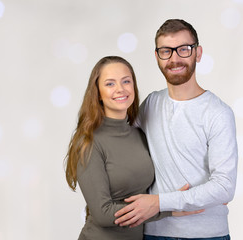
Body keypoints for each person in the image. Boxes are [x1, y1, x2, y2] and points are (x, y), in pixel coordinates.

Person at [114, 19, 238, 240]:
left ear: (198, 53)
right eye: (166, 51)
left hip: (206, 236)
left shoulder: (218, 113)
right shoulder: (151, 103)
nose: (174, 59)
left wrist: (158, 202)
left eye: (183, 49)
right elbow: (118, 146)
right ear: (157, 57)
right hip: (153, 233)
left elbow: (224, 188)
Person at [64, 56, 202, 240]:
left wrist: (201, 193)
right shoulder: (88, 141)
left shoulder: (139, 134)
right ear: (97, 92)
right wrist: (167, 208)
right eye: (110, 84)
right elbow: (103, 213)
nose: (120, 89)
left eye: (126, 81)